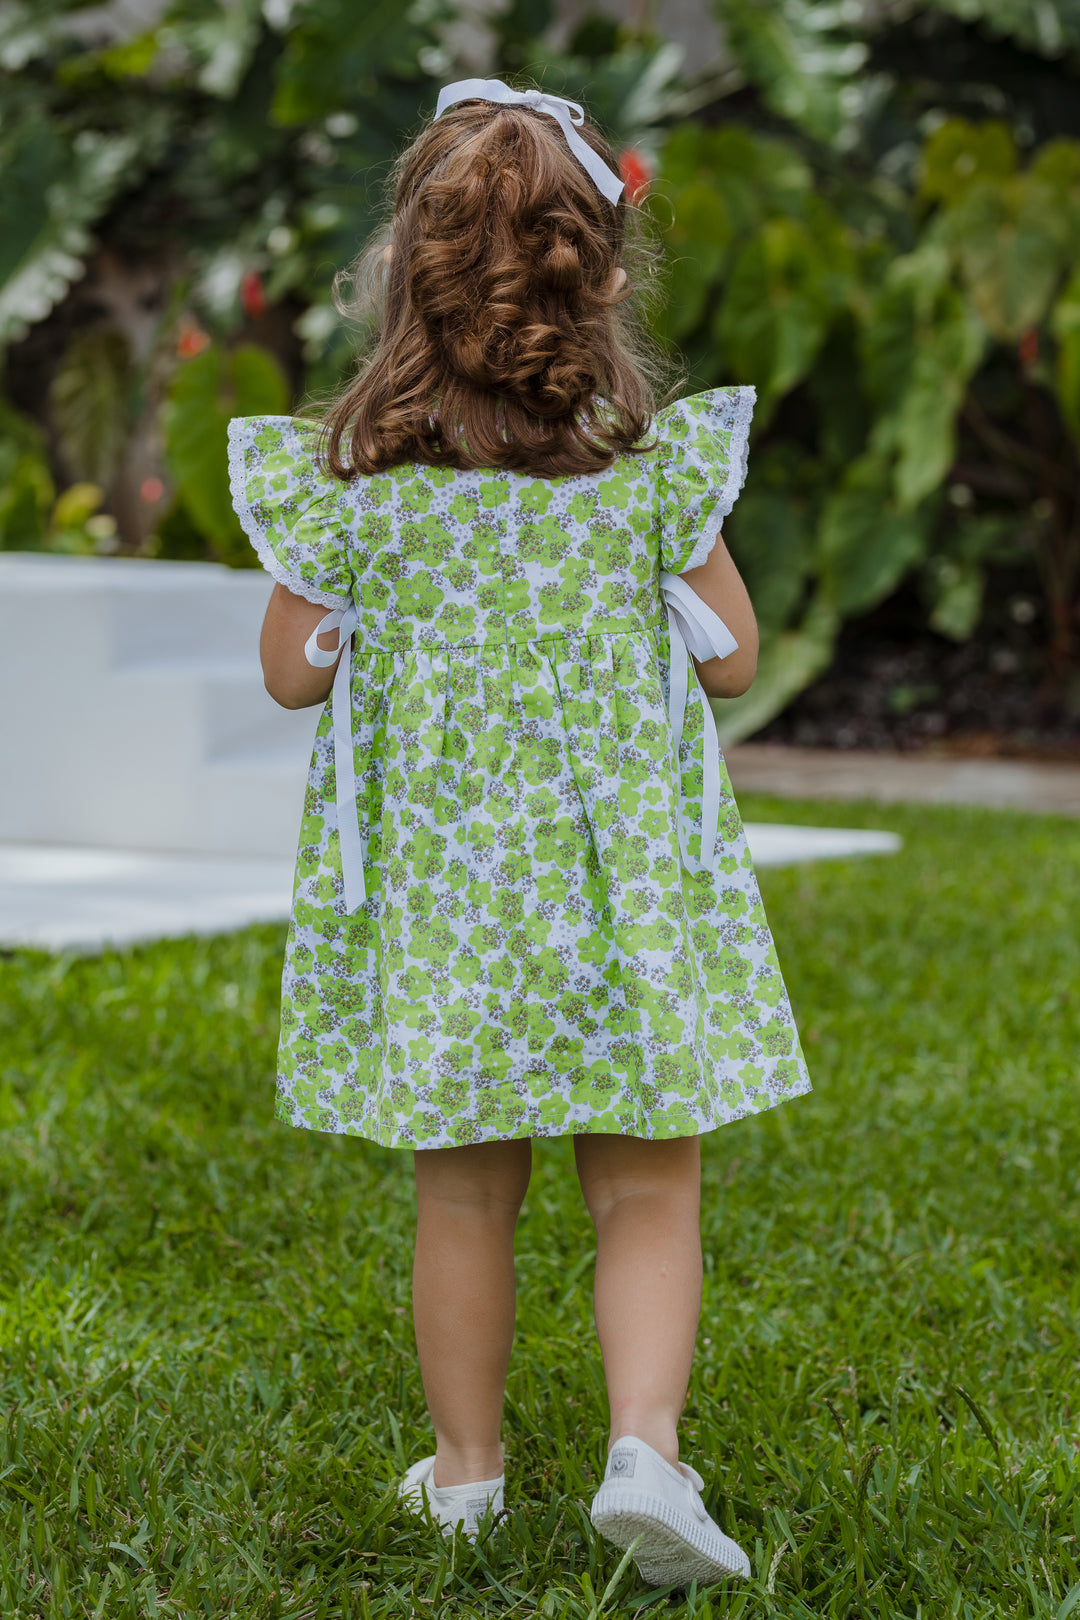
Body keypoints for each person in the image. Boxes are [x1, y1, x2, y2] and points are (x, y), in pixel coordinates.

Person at [227, 76, 811, 1590]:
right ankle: (646, 1451)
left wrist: (361, 632)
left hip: (448, 907)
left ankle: (471, 1473)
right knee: (645, 1180)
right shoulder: (647, 473)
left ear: (411, 278)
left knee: (466, 1191)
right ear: (599, 274)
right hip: (621, 894)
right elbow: (736, 659)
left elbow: (291, 675)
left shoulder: (359, 487)